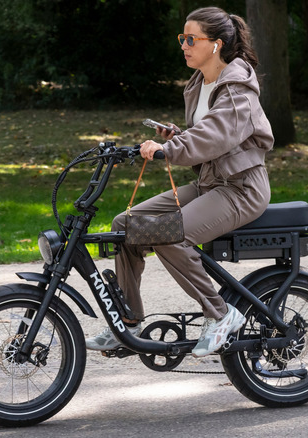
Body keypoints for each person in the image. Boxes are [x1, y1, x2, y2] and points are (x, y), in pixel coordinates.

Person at [85, 6, 274, 357]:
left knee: (170, 234)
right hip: (210, 183)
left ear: (215, 44)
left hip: (241, 189)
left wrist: (170, 148)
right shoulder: (202, 83)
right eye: (181, 38)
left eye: (191, 39)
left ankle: (220, 314)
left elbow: (217, 134)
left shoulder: (238, 88)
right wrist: (176, 135)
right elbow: (210, 135)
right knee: (125, 227)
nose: (183, 45)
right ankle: (128, 324)